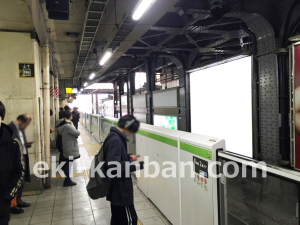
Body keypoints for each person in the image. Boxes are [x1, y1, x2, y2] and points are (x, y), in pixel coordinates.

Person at [104, 115, 143, 225]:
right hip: (120, 190)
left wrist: (128, 157)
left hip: (117, 189)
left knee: (117, 220)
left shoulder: (113, 136)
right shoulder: (116, 140)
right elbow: (113, 166)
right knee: (129, 220)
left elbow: (115, 158)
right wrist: (135, 165)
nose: (130, 133)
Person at [0, 101, 24, 224]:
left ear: (2, 117)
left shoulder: (13, 143)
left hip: (2, 201)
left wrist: (7, 197)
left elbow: (18, 171)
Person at [8, 114, 32, 214]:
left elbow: (19, 143)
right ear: (21, 121)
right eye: (26, 124)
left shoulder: (20, 129)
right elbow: (10, 145)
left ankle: (19, 200)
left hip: (23, 157)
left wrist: (26, 145)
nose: (26, 127)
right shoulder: (9, 129)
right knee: (16, 182)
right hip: (15, 160)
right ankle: (12, 205)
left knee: (21, 181)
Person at [56, 110, 80, 187]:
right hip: (69, 146)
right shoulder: (68, 125)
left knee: (66, 162)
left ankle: (67, 178)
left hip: (64, 145)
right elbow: (77, 133)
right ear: (69, 116)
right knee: (68, 163)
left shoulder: (62, 124)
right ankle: (67, 180)